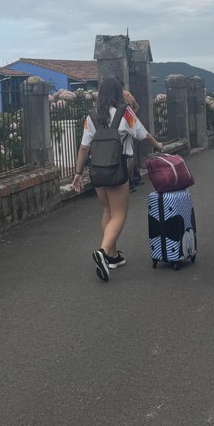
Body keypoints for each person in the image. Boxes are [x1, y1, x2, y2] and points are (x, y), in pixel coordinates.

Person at [72, 76, 163, 282]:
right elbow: (143, 134)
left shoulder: (92, 116)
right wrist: (157, 145)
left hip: (97, 170)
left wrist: (78, 174)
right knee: (120, 213)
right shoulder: (125, 113)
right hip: (118, 168)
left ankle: (112, 256)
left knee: (108, 210)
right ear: (118, 93)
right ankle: (103, 252)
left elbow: (84, 147)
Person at [122, 88, 142, 191]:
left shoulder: (118, 96)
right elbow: (137, 106)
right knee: (130, 154)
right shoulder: (128, 94)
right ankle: (134, 178)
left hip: (120, 127)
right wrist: (132, 116)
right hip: (130, 125)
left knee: (127, 155)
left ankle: (130, 181)